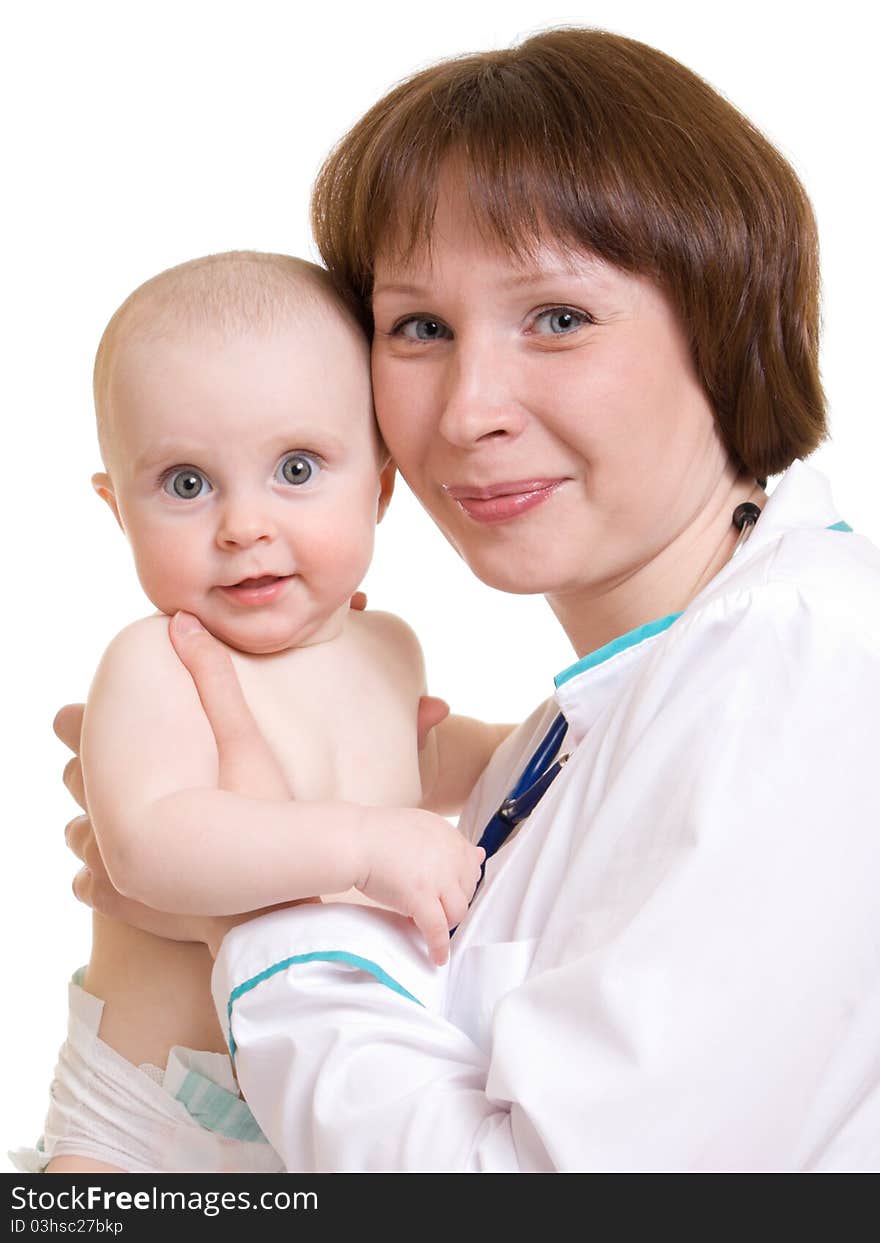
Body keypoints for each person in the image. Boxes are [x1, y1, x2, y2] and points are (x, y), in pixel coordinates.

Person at [59, 29, 880, 1172]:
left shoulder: (809, 668)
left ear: (728, 311)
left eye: (557, 317)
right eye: (420, 329)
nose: (467, 409)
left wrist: (256, 912)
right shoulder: (593, 717)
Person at [18, 251, 491, 1175]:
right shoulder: (158, 664)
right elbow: (152, 843)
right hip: (141, 1122)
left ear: (382, 486)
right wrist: (364, 844)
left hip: (314, 1119)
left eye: (297, 468)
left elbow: (421, 759)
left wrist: (549, 735)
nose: (243, 525)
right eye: (187, 484)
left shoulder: (387, 647)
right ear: (118, 511)